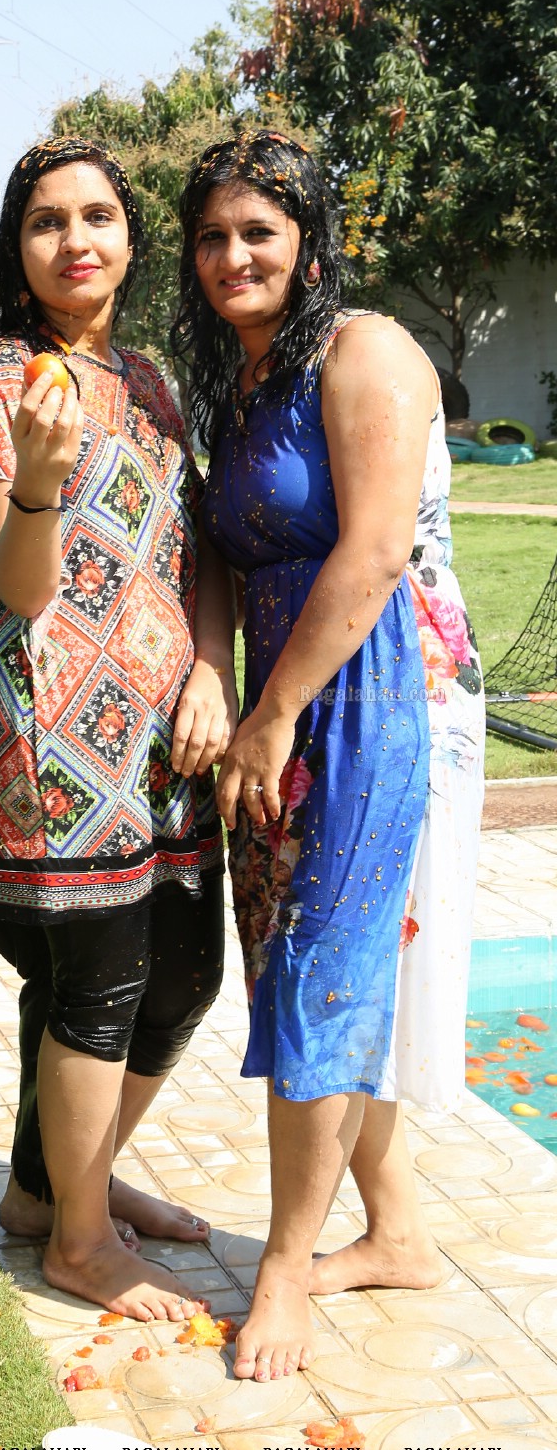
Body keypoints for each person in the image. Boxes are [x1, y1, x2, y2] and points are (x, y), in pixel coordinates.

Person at [172, 130, 485, 1382]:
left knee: (323, 973)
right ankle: (397, 1232)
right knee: (304, 969)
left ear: (308, 241)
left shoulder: (369, 353)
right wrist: (220, 676)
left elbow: (371, 556)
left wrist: (271, 712)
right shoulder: (245, 385)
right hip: (287, 693)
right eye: (211, 236)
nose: (233, 255)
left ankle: (286, 1268)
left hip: (372, 697)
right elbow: (218, 552)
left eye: (259, 230)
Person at [0, 137, 238, 1322]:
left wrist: (213, 668)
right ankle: (77, 1239)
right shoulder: (2, 383)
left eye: (99, 217)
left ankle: (52, 1186)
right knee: (105, 983)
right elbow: (17, 587)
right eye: (48, 221)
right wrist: (37, 482)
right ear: (20, 253)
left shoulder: (158, 380)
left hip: (170, 732)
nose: (77, 239)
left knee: (189, 977)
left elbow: (201, 546)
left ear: (129, 237)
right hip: (53, 734)